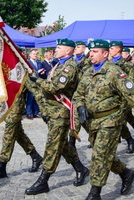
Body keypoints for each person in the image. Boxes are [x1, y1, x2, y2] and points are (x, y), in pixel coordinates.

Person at [73, 39, 134, 199]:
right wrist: (80, 106)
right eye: (90, 52)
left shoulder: (114, 72)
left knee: (99, 155)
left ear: (105, 53)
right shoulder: (88, 71)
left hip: (110, 120)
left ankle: (95, 192)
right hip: (93, 122)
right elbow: (78, 94)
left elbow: (132, 95)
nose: (91, 54)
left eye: (95, 51)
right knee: (106, 155)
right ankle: (126, 174)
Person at [25, 39, 89, 195]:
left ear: (68, 50)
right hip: (53, 111)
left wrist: (37, 80)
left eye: (59, 47)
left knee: (52, 145)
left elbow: (55, 87)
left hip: (62, 112)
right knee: (63, 145)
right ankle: (81, 169)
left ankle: (43, 181)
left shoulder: (69, 67)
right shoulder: (59, 64)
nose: (56, 49)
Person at [109, 41, 134, 152]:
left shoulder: (126, 64)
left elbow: (132, 82)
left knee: (120, 119)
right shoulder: (108, 63)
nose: (109, 50)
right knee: (126, 117)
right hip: (112, 96)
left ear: (118, 49)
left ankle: (130, 141)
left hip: (124, 96)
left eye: (112, 48)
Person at [26, 49, 41, 119]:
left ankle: (36, 112)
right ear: (30, 55)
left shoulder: (38, 62)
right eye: (34, 54)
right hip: (31, 83)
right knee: (30, 98)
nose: (35, 55)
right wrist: (38, 72)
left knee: (36, 98)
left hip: (38, 82)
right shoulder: (28, 63)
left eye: (36, 54)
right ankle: (29, 113)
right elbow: (29, 73)